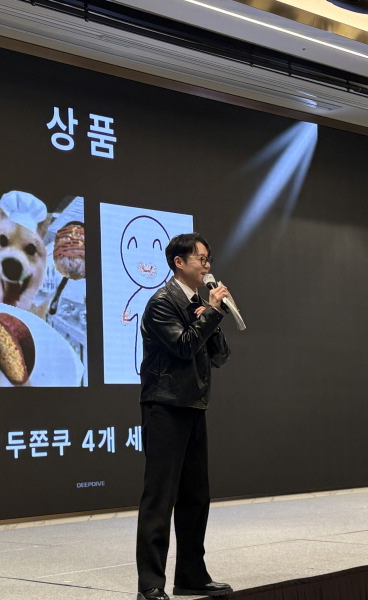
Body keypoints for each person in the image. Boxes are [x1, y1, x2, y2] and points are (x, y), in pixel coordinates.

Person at [136, 233, 233, 600]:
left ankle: (191, 576)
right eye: (201, 259)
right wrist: (209, 313)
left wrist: (214, 316)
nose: (207, 266)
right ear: (179, 262)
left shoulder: (200, 304)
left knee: (195, 497)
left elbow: (220, 356)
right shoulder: (161, 302)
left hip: (193, 406)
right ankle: (150, 584)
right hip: (165, 406)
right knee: (160, 498)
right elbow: (182, 346)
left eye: (208, 260)